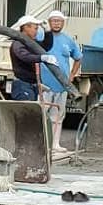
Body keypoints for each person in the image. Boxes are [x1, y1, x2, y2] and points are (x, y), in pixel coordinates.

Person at [39, 9, 82, 152]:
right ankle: (42, 142)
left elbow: (78, 57)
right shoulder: (42, 37)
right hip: (44, 83)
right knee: (41, 113)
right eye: (54, 21)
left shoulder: (68, 40)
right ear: (49, 22)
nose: (56, 23)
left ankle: (55, 144)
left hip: (61, 85)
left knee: (57, 116)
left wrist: (71, 75)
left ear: (63, 23)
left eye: (59, 21)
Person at [9, 14, 56, 101]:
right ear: (26, 27)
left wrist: (48, 31)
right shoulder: (18, 43)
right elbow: (25, 56)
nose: (37, 32)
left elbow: (45, 46)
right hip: (22, 84)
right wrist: (41, 58)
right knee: (26, 110)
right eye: (35, 28)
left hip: (32, 83)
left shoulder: (30, 42)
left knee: (32, 110)